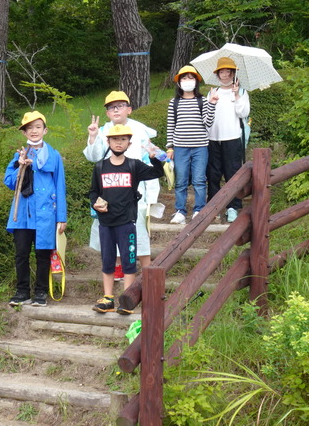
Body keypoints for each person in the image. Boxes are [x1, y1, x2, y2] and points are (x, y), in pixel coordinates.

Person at [84, 91, 160, 279]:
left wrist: (152, 196)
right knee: (110, 232)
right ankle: (117, 269)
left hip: (134, 192)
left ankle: (146, 272)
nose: (116, 110)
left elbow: (149, 161)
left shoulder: (139, 130)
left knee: (138, 234)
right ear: (107, 112)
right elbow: (94, 157)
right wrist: (93, 137)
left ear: (129, 109)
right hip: (110, 190)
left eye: (120, 106)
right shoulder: (103, 132)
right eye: (111, 107)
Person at [89, 125, 164, 314]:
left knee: (129, 260)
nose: (119, 143)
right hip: (106, 223)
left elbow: (156, 173)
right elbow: (93, 192)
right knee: (107, 260)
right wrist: (95, 204)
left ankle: (127, 298)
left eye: (123, 140)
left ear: (129, 143)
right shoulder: (100, 167)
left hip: (127, 223)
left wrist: (156, 160)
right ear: (108, 142)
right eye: (115, 139)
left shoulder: (134, 165)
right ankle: (108, 298)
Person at [4, 111, 67, 307]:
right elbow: (9, 182)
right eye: (29, 128)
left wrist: (61, 217)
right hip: (22, 214)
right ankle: (22, 291)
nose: (34, 131)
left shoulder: (54, 155)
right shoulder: (19, 155)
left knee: (43, 253)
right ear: (24, 132)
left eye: (37, 127)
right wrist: (19, 166)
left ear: (45, 130)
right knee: (21, 252)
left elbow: (60, 185)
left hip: (46, 213)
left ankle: (41, 292)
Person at [166, 65, 218, 225]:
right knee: (181, 180)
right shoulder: (173, 103)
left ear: (196, 81)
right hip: (180, 147)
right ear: (179, 82)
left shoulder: (202, 100)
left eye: (191, 78)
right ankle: (180, 211)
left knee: (199, 180)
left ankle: (199, 210)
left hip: (200, 147)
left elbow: (208, 122)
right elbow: (171, 125)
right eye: (184, 78)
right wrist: (169, 147)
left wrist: (212, 103)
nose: (187, 81)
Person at [206, 57, 250, 223]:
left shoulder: (242, 92)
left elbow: (243, 113)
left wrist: (237, 94)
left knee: (233, 174)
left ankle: (233, 207)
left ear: (233, 73)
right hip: (213, 138)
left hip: (232, 139)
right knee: (213, 174)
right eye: (222, 72)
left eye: (228, 72)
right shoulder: (212, 92)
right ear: (218, 74)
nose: (225, 75)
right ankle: (214, 207)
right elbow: (207, 115)